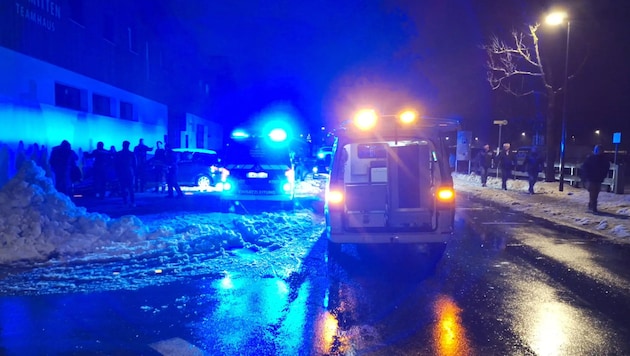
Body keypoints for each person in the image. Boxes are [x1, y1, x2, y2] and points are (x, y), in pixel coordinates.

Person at [580, 144, 611, 213]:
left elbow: (606, 168)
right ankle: (593, 207)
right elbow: (585, 168)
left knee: (595, 193)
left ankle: (592, 206)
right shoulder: (593, 158)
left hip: (596, 179)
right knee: (593, 193)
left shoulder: (595, 158)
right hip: (592, 179)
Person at [115, 140, 137, 207]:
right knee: (129, 188)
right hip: (129, 172)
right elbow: (135, 164)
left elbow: (115, 164)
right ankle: (131, 202)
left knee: (124, 188)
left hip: (123, 172)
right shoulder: (131, 154)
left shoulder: (119, 153)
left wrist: (117, 172)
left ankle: (126, 202)